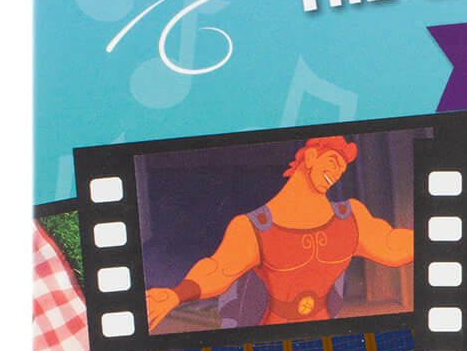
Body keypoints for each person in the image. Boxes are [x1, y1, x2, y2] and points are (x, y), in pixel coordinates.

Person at [145, 135, 412, 329]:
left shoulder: (351, 217)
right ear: (310, 157)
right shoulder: (253, 227)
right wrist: (176, 294)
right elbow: (218, 270)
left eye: (341, 168)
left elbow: (391, 246)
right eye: (332, 162)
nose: (336, 172)